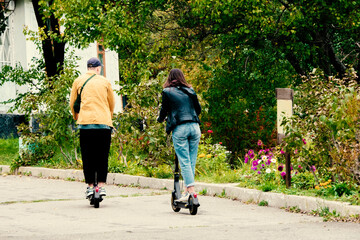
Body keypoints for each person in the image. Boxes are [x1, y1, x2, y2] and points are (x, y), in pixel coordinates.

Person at [69, 57, 115, 198]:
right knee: (102, 155)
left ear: (87, 67)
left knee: (87, 156)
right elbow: (111, 103)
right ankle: (100, 185)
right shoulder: (105, 81)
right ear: (98, 68)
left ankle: (90, 186)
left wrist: (77, 117)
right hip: (103, 124)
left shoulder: (78, 81)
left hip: (85, 124)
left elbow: (72, 103)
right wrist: (109, 117)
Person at [157, 68, 201, 202]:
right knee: (191, 161)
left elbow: (164, 110)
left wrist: (160, 119)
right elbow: (198, 109)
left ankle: (191, 191)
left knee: (184, 161)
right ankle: (188, 191)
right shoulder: (190, 90)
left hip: (180, 128)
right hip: (195, 127)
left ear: (169, 78)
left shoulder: (167, 91)